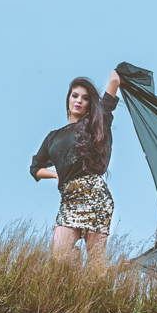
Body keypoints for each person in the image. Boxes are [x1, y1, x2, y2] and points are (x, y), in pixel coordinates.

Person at [30, 70, 121, 262]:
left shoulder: (94, 124)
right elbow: (35, 168)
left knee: (96, 264)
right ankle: (74, 273)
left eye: (85, 98)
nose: (79, 100)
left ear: (90, 105)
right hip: (69, 201)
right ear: (68, 100)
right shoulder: (53, 137)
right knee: (58, 260)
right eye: (75, 95)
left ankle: (109, 284)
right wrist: (55, 174)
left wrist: (117, 74)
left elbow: (114, 81)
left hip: (94, 196)